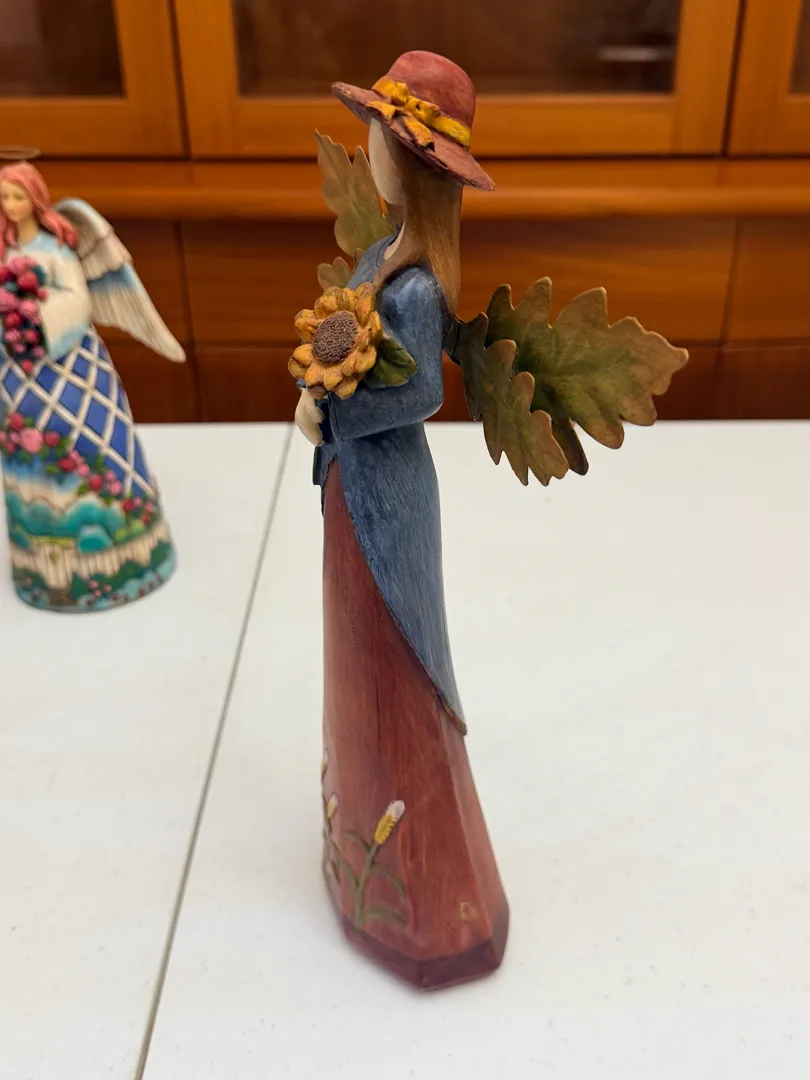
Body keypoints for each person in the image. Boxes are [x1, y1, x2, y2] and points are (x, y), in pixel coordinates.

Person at [292, 52, 509, 989]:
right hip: (354, 484)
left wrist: (331, 408)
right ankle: (363, 840)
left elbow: (419, 393)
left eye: (380, 138)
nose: (368, 150)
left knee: (398, 657)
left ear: (412, 163)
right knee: (356, 647)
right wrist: (323, 396)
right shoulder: (381, 259)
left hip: (389, 495)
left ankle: (433, 904)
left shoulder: (417, 289)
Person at [0, 159, 184, 611]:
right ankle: (39, 565)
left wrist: (33, 316)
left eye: (18, 196)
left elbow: (76, 301)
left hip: (69, 366)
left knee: (92, 439)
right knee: (29, 455)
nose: (11, 204)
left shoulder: (58, 250)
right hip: (16, 373)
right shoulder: (5, 252)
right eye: (5, 197)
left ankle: (127, 552)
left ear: (34, 199)